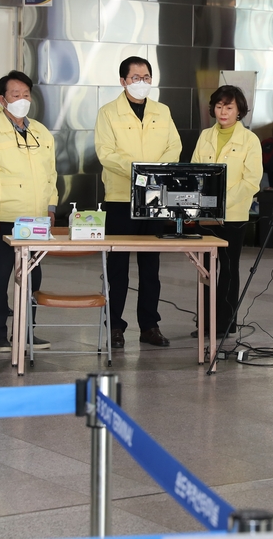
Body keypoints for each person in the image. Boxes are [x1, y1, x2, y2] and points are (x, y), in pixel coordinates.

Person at [95, 56, 181, 350]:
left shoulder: (162, 111)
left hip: (154, 198)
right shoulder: (108, 113)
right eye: (135, 77)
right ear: (123, 81)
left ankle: (149, 325)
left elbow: (174, 146)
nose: (142, 82)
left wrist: (155, 173)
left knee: (151, 266)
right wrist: (139, 170)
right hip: (120, 198)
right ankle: (115, 326)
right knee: (117, 267)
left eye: (146, 77)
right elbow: (106, 152)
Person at [0, 70, 57, 353]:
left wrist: (51, 207)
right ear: (1, 99)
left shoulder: (40, 132)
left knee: (33, 277)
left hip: (35, 219)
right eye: (15, 95)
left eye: (26, 95)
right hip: (5, 216)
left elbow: (51, 174)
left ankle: (26, 332)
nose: (22, 100)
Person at [191, 85, 263, 337]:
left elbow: (252, 180)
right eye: (219, 106)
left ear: (239, 110)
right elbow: (194, 172)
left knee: (229, 269)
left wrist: (222, 203)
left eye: (229, 107)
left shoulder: (249, 140)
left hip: (233, 215)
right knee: (205, 270)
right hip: (205, 215)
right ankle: (206, 323)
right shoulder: (205, 136)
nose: (223, 111)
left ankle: (225, 323)